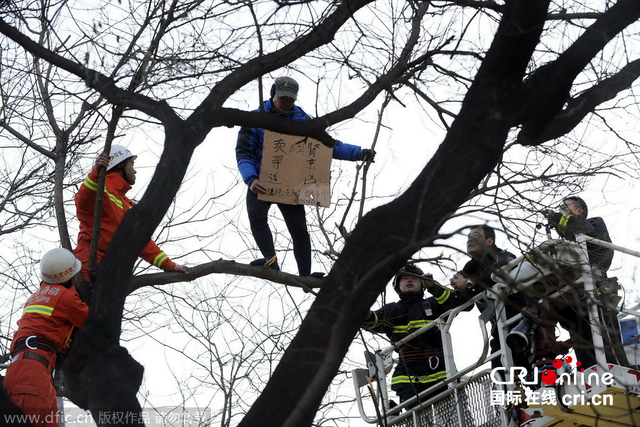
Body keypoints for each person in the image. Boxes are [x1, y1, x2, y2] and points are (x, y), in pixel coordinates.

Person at [236, 76, 375, 276]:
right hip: (260, 180)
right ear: (273, 93)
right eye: (282, 97)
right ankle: (270, 259)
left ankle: (305, 274)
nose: (286, 102)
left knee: (299, 229)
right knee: (257, 217)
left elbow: (328, 146)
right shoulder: (255, 119)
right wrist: (251, 179)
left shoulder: (302, 121)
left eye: (290, 99)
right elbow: (243, 152)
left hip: (289, 182)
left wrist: (359, 153)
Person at [73, 146, 187, 292]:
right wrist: (96, 173)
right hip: (86, 267)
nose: (135, 170)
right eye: (131, 164)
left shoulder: (128, 204)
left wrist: (168, 265)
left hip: (110, 274)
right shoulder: (100, 187)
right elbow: (83, 200)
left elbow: (141, 241)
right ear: (119, 165)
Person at [4, 248, 89, 427]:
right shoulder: (66, 298)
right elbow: (95, 323)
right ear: (71, 277)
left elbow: (51, 330)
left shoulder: (35, 297)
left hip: (32, 370)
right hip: (31, 373)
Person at [542, 196, 621, 368]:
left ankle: (614, 372)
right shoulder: (565, 243)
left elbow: (578, 227)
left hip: (598, 293)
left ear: (579, 211)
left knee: (605, 339)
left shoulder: (594, 224)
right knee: (581, 340)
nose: (560, 209)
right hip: (575, 296)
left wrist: (554, 217)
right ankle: (587, 373)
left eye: (565, 206)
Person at [362, 265, 454, 408]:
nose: (410, 281)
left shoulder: (434, 303)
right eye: (405, 278)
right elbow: (373, 320)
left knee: (453, 416)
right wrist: (363, 310)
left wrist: (434, 287)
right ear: (397, 285)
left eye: (415, 278)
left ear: (422, 283)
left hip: (442, 372)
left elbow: (458, 303)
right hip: (409, 378)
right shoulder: (392, 310)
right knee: (417, 419)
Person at [458, 225, 524, 368]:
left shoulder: (504, 257)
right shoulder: (469, 268)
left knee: (533, 369)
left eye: (475, 235)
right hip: (498, 330)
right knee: (498, 371)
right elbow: (464, 303)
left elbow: (505, 273)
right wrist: (457, 288)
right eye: (468, 237)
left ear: (489, 241)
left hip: (522, 322)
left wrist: (471, 282)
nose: (469, 240)